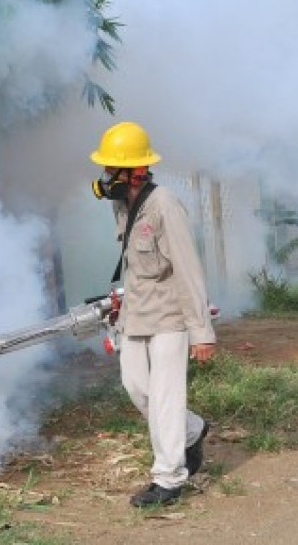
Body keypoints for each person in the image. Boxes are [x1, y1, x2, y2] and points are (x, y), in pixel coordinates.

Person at [90, 121, 217, 508]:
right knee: (137, 388)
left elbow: (187, 269)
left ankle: (169, 479)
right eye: (106, 169)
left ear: (137, 171)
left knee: (164, 397)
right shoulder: (122, 205)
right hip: (137, 316)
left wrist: (201, 332)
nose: (106, 177)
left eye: (113, 169)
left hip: (170, 317)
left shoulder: (164, 205)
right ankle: (192, 429)